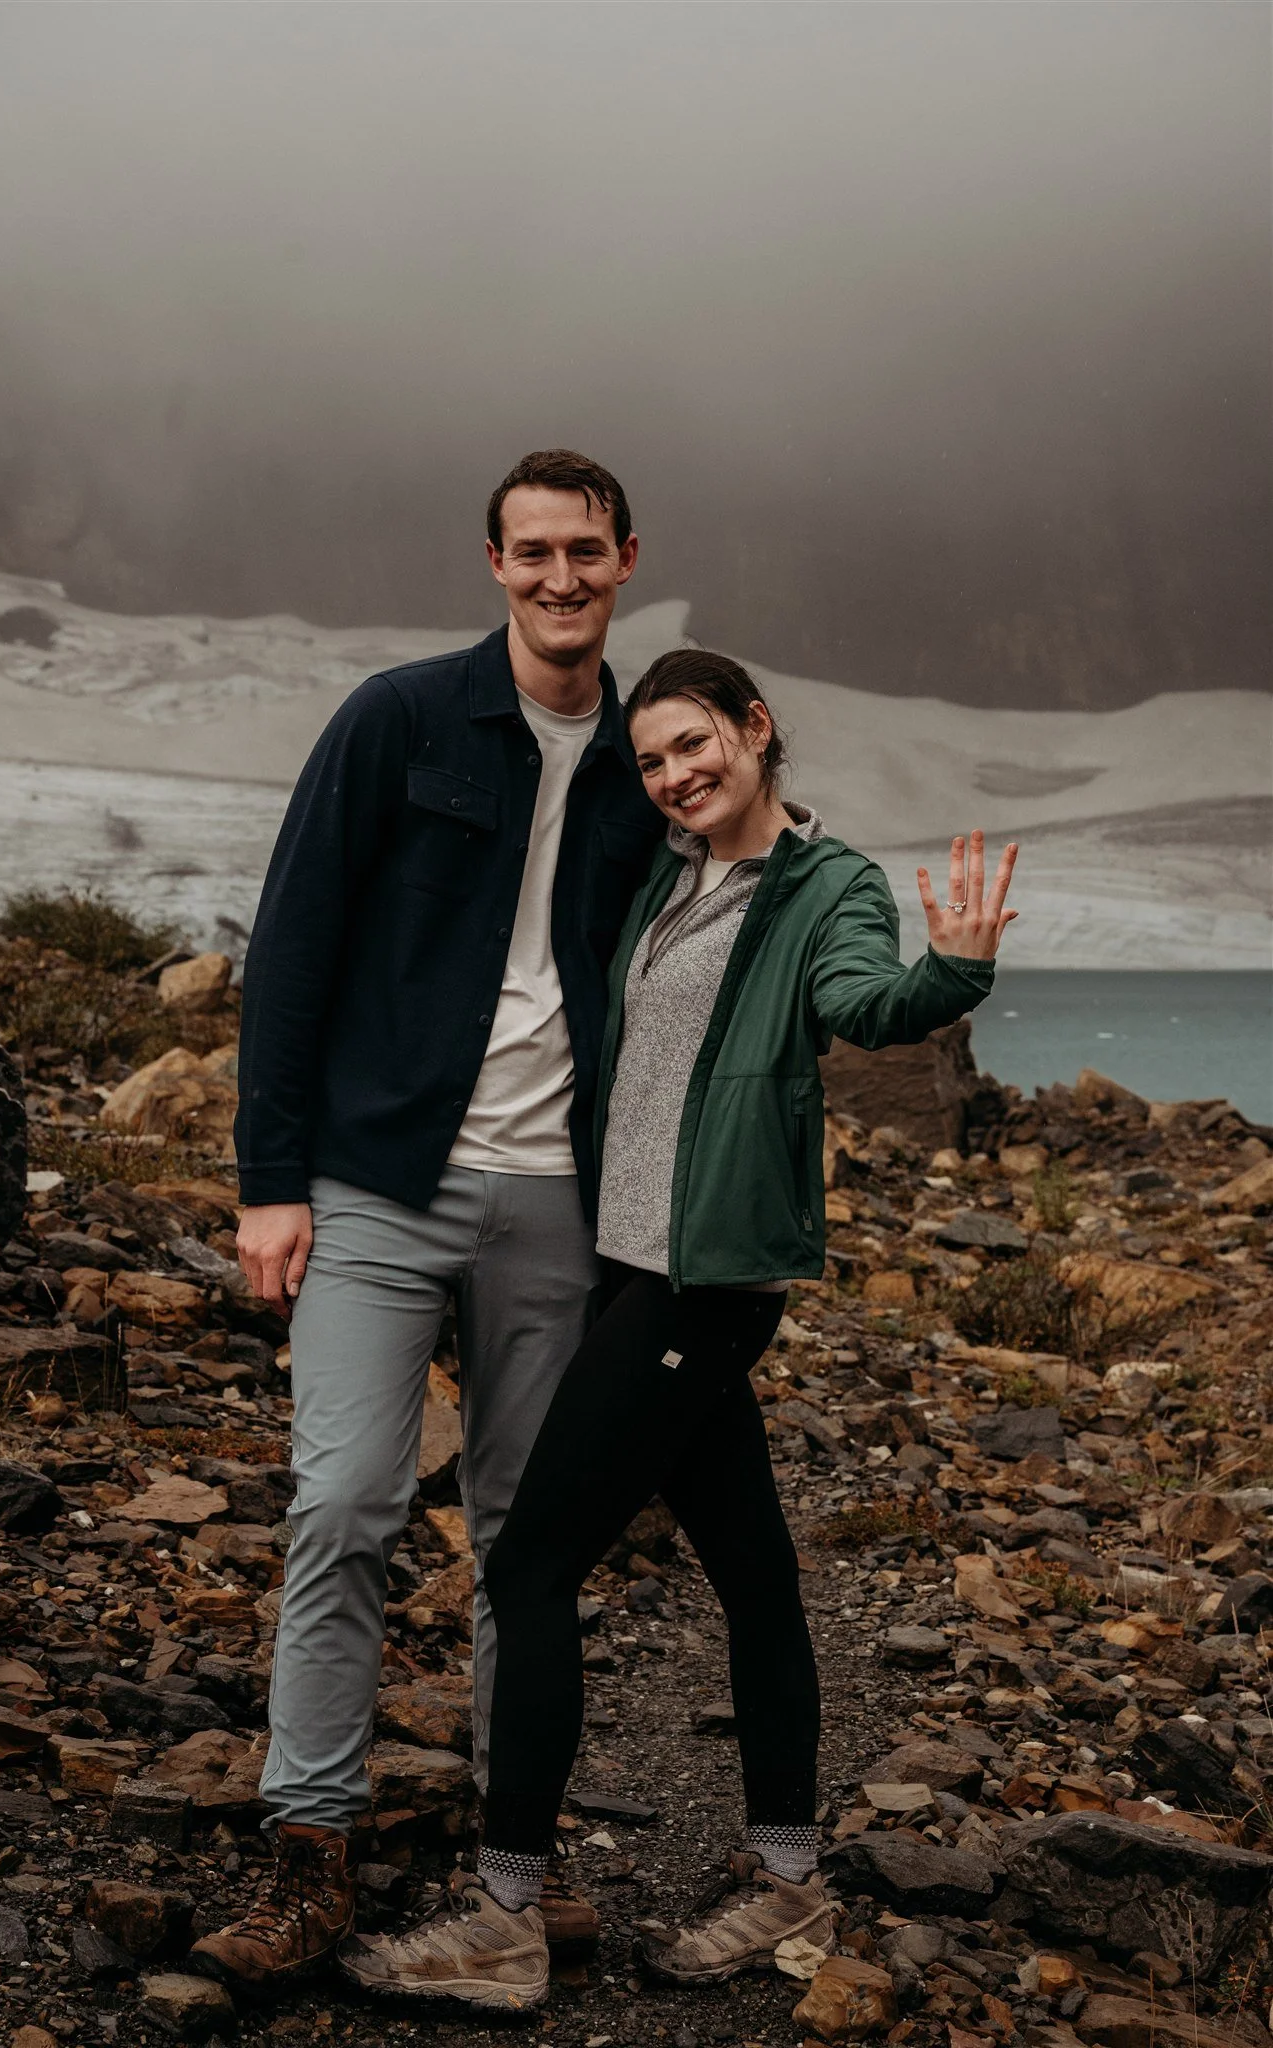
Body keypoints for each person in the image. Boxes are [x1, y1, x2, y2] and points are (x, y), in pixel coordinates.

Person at [340, 647, 1019, 2010]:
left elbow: (857, 1004)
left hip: (699, 1285)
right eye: (653, 760)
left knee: (529, 1566)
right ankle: (787, 1879)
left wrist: (954, 972)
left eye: (696, 744)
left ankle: (507, 1918)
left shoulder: (824, 888)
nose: (676, 774)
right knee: (756, 1574)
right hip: (624, 1266)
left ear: (757, 731)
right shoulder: (668, 875)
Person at [190, 450, 663, 1989]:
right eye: (533, 552)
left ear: (627, 558)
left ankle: (506, 1859)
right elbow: (298, 943)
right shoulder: (397, 719)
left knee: (530, 1535)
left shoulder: (651, 755)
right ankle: (307, 1849)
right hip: (375, 1183)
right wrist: (269, 1183)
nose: (559, 578)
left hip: (557, 1202)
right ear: (493, 562)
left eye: (584, 551)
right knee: (345, 1504)